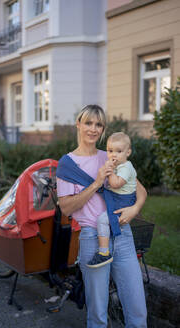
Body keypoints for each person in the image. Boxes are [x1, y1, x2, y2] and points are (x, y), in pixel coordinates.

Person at [56, 104, 147, 328]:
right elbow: (66, 208)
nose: (93, 129)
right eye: (88, 123)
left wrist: (134, 209)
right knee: (97, 313)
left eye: (98, 124)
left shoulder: (111, 155)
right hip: (92, 239)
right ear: (78, 124)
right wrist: (97, 182)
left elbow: (141, 191)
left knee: (137, 309)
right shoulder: (67, 164)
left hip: (122, 235)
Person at [87, 132, 137, 268]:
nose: (113, 155)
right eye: (110, 151)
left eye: (119, 151)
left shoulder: (126, 167)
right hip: (117, 197)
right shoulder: (119, 166)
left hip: (123, 201)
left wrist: (109, 172)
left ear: (128, 152)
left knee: (103, 220)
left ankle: (104, 252)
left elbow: (115, 184)